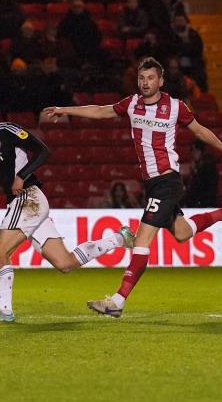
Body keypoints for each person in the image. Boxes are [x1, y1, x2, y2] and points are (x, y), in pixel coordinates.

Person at [44, 57, 222, 317]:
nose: (145, 83)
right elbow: (101, 110)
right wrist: (66, 110)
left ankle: (117, 301)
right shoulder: (132, 104)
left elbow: (199, 131)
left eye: (151, 78)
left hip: (167, 181)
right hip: (153, 184)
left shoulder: (175, 107)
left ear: (160, 81)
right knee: (182, 233)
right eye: (142, 78)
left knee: (141, 239)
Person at [0, 98, 135, 322]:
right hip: (24, 203)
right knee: (65, 263)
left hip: (28, 197)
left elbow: (43, 151)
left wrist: (21, 176)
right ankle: (118, 239)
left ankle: (4, 311)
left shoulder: (7, 131)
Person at [185, 140, 219, 208]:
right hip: (201, 200)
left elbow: (201, 184)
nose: (192, 153)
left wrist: (195, 170)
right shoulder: (201, 163)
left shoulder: (207, 164)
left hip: (204, 200)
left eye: (193, 150)